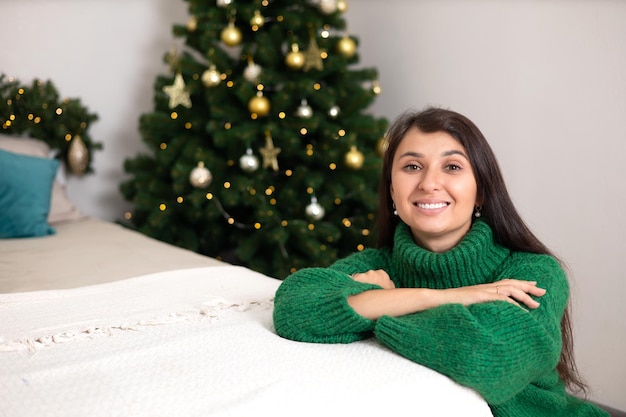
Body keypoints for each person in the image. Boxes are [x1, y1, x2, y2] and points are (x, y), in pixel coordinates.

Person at [273, 107, 608, 417]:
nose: (429, 183)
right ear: (392, 191)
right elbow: (293, 308)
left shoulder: (532, 273)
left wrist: (375, 306)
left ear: (480, 191)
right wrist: (444, 297)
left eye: (452, 167)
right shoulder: (379, 264)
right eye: (412, 166)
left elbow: (489, 361)